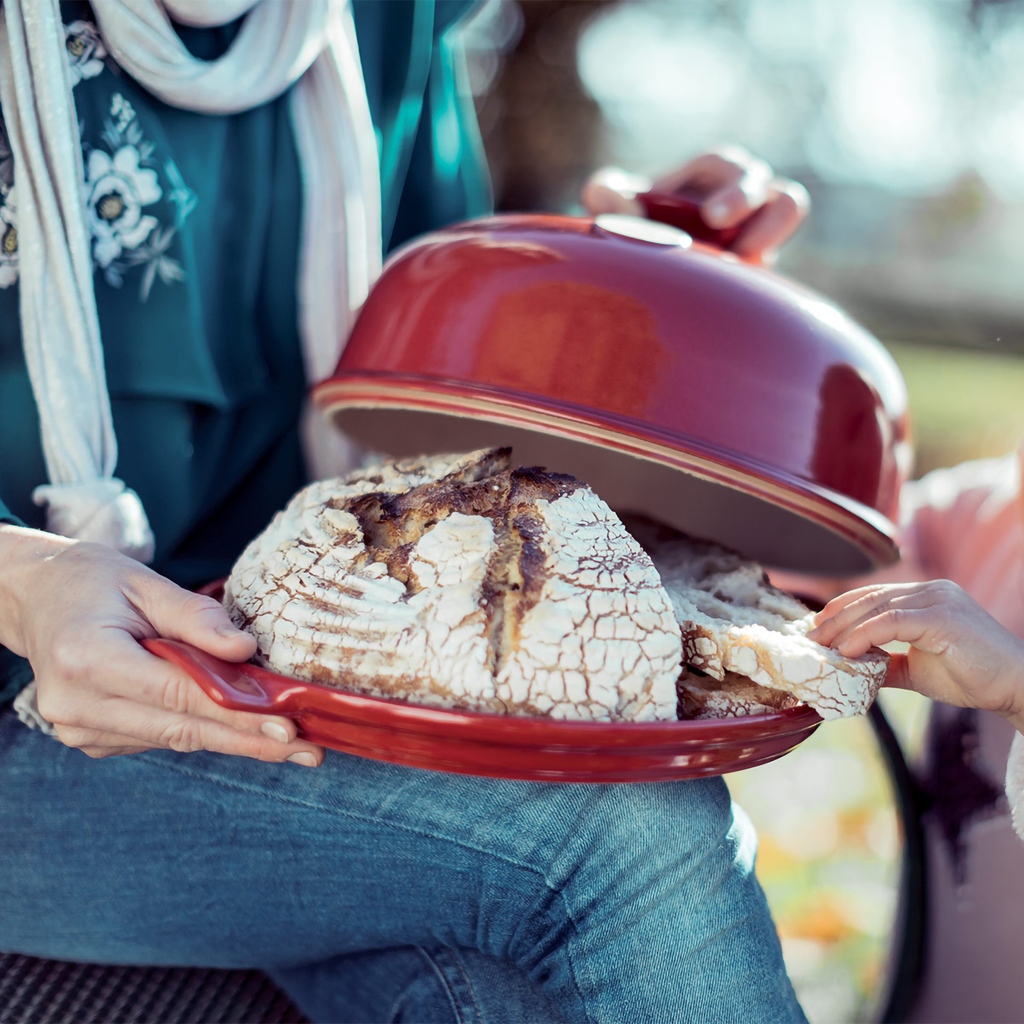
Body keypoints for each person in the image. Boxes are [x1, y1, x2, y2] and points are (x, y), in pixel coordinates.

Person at [0, 2, 811, 1022]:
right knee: (621, 832)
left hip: (307, 659)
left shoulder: (378, 19)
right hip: (21, 699)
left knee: (515, 995)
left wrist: (617, 283)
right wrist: (24, 583)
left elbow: (428, 375)